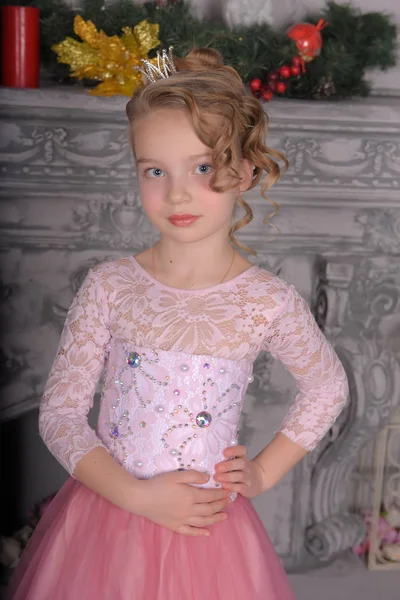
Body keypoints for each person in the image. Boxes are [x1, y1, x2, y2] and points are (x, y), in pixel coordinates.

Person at [7, 47, 349, 600]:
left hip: (206, 530)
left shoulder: (265, 300)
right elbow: (61, 415)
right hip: (105, 517)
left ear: (243, 170)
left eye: (203, 166)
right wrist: (136, 496)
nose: (178, 192)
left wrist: (262, 473)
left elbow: (327, 384)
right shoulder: (111, 286)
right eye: (155, 171)